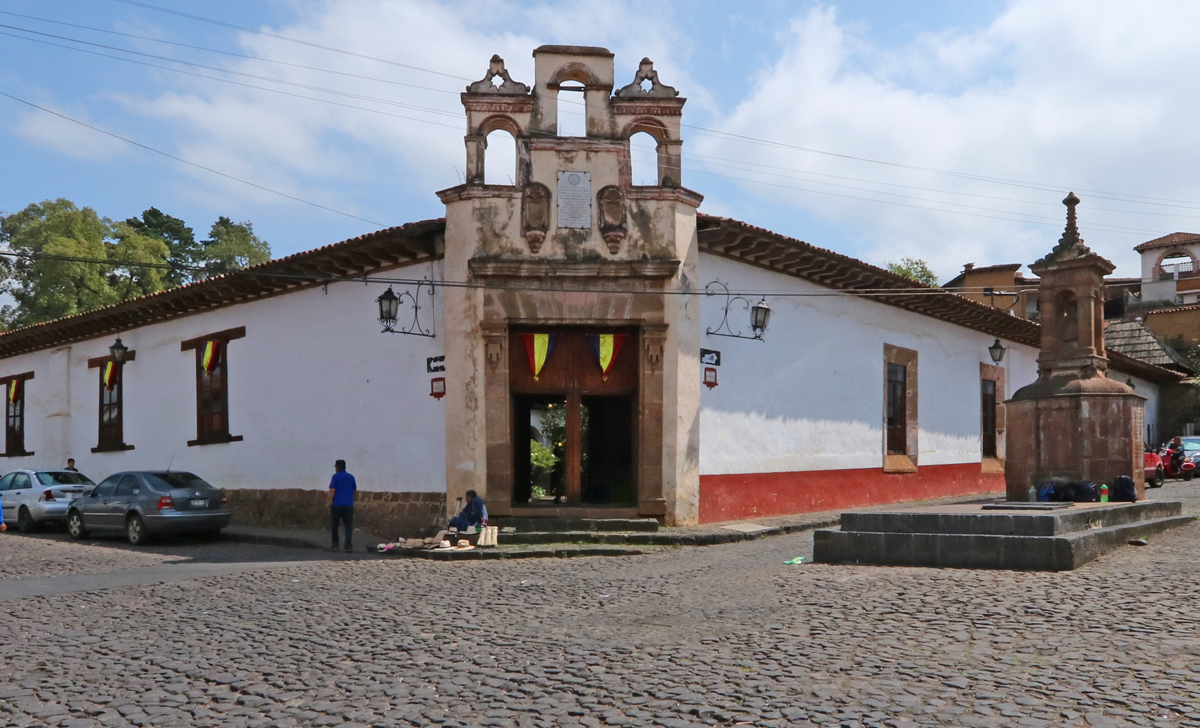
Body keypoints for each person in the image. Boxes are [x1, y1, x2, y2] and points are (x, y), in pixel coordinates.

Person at [327, 459, 357, 552]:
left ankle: (335, 544)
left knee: (335, 525)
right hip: (348, 505)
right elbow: (354, 489)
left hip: (337, 505)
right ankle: (348, 546)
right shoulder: (351, 477)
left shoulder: (335, 477)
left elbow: (332, 490)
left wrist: (329, 501)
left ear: (336, 467)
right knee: (348, 526)